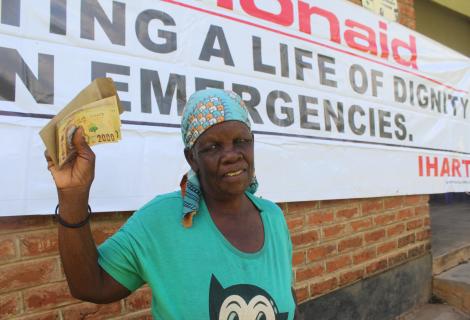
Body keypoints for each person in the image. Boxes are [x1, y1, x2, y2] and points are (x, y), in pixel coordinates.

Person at [45, 88, 296, 319]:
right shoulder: (160, 221)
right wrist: (73, 196)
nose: (231, 155)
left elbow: (287, 298)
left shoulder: (272, 217)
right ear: (192, 158)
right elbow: (91, 285)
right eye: (213, 147)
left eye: (241, 141)